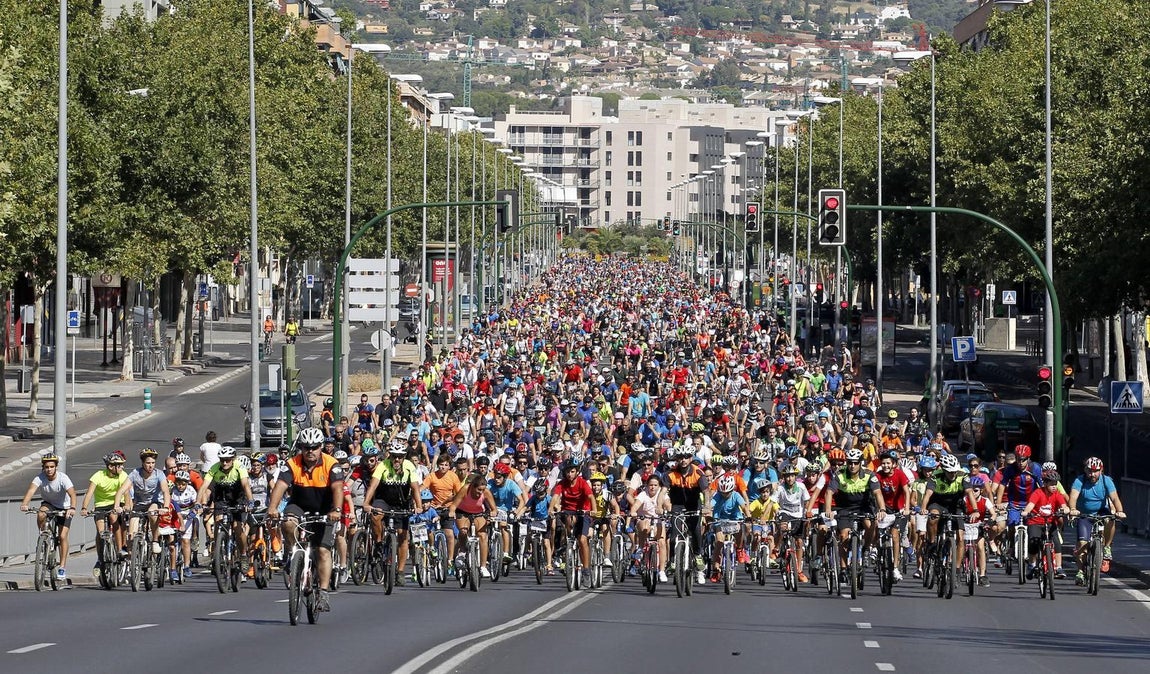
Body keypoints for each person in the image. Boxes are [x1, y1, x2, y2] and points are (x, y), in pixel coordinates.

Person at [267, 427, 345, 613]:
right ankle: (292, 553)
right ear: (301, 448)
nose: (310, 451)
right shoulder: (291, 464)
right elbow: (280, 486)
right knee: (287, 522)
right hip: (299, 505)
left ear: (321, 447)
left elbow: (338, 489)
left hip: (326, 509)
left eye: (315, 447)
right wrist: (272, 508)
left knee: (323, 551)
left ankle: (324, 593)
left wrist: (337, 510)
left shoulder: (332, 464)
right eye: (306, 447)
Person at [362, 442, 424, 586]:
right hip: (383, 500)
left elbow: (415, 488)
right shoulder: (383, 465)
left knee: (403, 536)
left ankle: (400, 572)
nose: (397, 460)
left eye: (400, 457)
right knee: (375, 515)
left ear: (404, 457)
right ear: (390, 456)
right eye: (394, 457)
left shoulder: (409, 466)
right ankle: (378, 541)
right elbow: (373, 485)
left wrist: (419, 506)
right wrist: (366, 503)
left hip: (401, 502)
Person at [825, 448, 886, 582]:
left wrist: (882, 509)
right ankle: (843, 569)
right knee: (843, 535)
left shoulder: (870, 475)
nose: (852, 466)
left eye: (855, 463)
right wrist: (828, 509)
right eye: (850, 463)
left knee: (871, 524)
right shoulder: (839, 474)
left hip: (864, 507)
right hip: (844, 508)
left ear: (860, 463)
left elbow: (877, 493)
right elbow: (829, 492)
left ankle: (866, 549)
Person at [19, 454, 77, 581]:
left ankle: (62, 567)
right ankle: (44, 534)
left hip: (64, 507)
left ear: (56, 467)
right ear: (43, 467)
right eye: (46, 467)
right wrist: (25, 504)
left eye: (52, 467)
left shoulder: (63, 478)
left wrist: (72, 508)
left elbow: (72, 494)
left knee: (62, 537)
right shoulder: (40, 477)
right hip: (49, 504)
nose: (49, 469)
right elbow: (30, 491)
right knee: (41, 513)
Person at [1068, 456, 1127, 582]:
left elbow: (1115, 498)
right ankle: (1081, 571)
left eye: (1095, 471)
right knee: (1082, 544)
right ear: (1085, 470)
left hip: (1101, 512)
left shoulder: (1106, 481)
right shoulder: (1080, 480)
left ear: (1101, 470)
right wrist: (1073, 509)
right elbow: (1073, 497)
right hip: (1085, 514)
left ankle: (1106, 546)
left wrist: (1120, 511)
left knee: (1111, 520)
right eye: (1089, 470)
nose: (1092, 474)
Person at [196, 446, 254, 571]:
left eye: (228, 460)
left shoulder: (240, 467)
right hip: (222, 497)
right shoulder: (215, 468)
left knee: (237, 528)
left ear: (233, 459)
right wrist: (198, 502)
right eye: (222, 460)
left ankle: (243, 555)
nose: (225, 463)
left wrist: (250, 502)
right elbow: (204, 486)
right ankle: (217, 553)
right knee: (218, 520)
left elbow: (245, 485)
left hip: (238, 497)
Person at [114, 447, 172, 558]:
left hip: (154, 503)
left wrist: (165, 506)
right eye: (148, 463)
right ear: (142, 463)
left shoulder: (159, 474)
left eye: (153, 463)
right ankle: (133, 562)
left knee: (152, 512)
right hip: (139, 505)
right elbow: (121, 490)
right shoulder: (135, 473)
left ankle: (155, 541)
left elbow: (165, 491)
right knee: (131, 534)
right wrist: (117, 506)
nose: (151, 466)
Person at [80, 453, 129, 575]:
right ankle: (100, 558)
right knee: (101, 532)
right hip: (101, 505)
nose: (121, 468)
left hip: (117, 504)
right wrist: (84, 507)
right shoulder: (98, 475)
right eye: (119, 465)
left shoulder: (123, 475)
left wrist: (126, 505)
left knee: (114, 518)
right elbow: (89, 493)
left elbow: (127, 493)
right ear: (111, 466)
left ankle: (119, 550)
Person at [550, 458, 595, 587]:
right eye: (568, 472)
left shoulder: (582, 483)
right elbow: (555, 496)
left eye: (572, 471)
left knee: (582, 540)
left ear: (577, 472)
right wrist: (551, 509)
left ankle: (586, 570)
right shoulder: (562, 484)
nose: (570, 474)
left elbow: (591, 496)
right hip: (568, 512)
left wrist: (593, 510)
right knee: (568, 522)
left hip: (583, 512)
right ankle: (568, 545)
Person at [1018, 468, 1069, 579]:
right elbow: (1031, 504)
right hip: (1035, 522)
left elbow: (1064, 506)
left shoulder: (1057, 494)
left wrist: (1065, 509)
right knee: (1033, 543)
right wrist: (1026, 512)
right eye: (1051, 484)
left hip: (1050, 522)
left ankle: (1058, 567)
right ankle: (1031, 565)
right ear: (1045, 484)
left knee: (1057, 543)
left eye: (1055, 484)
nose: (1054, 486)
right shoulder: (1038, 493)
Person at [449, 469, 499, 578]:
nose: (480, 492)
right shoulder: (465, 489)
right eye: (478, 490)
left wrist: (493, 513)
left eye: (482, 490)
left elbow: (494, 508)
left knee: (483, 535)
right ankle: (462, 552)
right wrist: (452, 512)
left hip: (478, 513)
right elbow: (454, 505)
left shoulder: (486, 492)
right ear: (472, 486)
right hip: (463, 512)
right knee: (463, 531)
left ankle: (483, 566)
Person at [706, 474, 751, 583]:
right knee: (719, 543)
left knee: (740, 530)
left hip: (734, 519)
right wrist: (708, 515)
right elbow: (710, 506)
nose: (725, 495)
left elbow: (744, 506)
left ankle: (740, 549)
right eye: (723, 493)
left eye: (727, 492)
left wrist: (749, 516)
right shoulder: (717, 496)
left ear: (732, 490)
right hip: (720, 520)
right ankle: (716, 569)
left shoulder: (736, 495)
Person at [771, 464, 810, 582]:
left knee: (799, 542)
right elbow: (773, 501)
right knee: (783, 528)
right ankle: (777, 549)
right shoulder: (780, 487)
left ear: (795, 476)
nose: (789, 479)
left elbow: (807, 501)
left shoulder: (802, 486)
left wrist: (807, 512)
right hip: (785, 513)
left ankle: (799, 571)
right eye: (787, 476)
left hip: (798, 516)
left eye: (792, 476)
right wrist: (777, 510)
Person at [962, 475, 997, 587]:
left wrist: (990, 521)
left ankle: (982, 575)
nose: (973, 492)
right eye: (971, 490)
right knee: (960, 546)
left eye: (976, 490)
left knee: (980, 547)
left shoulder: (985, 501)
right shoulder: (964, 500)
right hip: (966, 525)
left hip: (978, 525)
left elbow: (993, 514)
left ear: (981, 490)